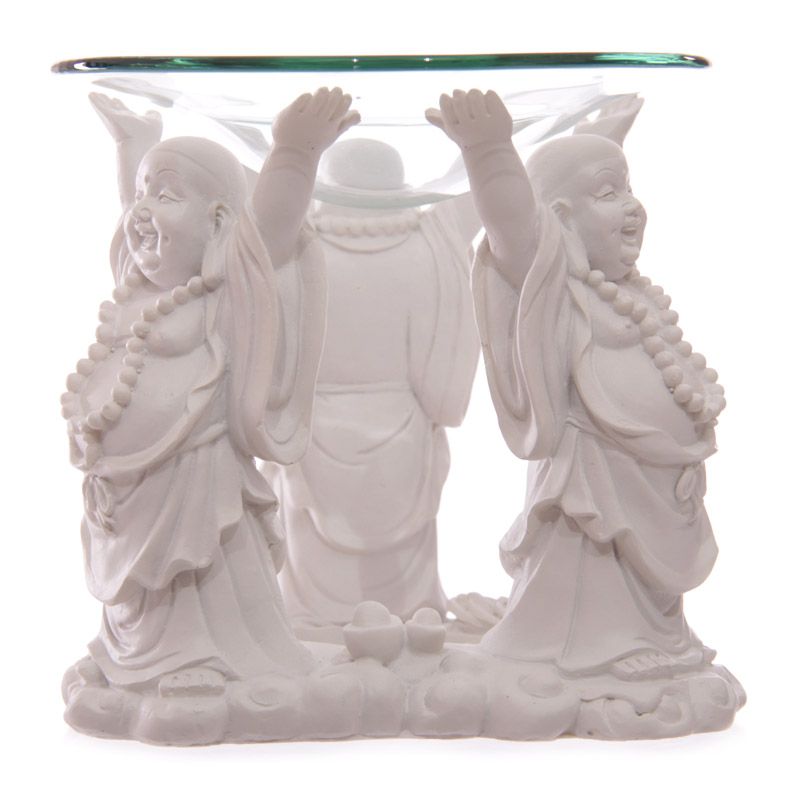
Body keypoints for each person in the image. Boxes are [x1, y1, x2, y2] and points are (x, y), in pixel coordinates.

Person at [62, 89, 359, 693]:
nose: (142, 211)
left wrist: (295, 153)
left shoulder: (223, 292)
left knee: (197, 578)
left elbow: (270, 230)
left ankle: (205, 660)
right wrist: (134, 146)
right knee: (141, 591)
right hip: (126, 489)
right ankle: (134, 654)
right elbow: (139, 219)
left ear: (220, 224)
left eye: (167, 195)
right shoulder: (140, 289)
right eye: (143, 194)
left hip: (196, 478)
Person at [428, 90, 725, 678]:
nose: (632, 206)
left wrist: (600, 142)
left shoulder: (628, 293)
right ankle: (598, 646)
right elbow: (516, 226)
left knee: (639, 576)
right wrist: (488, 152)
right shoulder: (557, 287)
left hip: (654, 479)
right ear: (560, 221)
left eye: (629, 188)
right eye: (610, 193)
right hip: (594, 475)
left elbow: (563, 193)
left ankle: (648, 634)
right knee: (595, 553)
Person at [265, 138, 480, 632]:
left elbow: (241, 193)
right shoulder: (432, 239)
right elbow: (479, 185)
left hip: (318, 429)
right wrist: (481, 142)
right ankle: (397, 623)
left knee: (314, 572)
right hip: (389, 430)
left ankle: (325, 625)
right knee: (396, 591)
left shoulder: (293, 240)